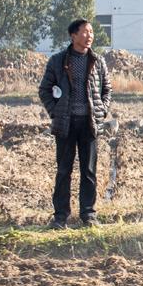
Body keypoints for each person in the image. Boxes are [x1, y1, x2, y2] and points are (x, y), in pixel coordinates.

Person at [38, 19, 112, 229]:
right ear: (73, 35)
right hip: (66, 124)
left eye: (91, 32)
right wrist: (56, 111)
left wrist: (101, 111)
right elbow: (45, 90)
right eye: (85, 32)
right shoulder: (58, 61)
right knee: (64, 171)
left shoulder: (97, 61)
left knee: (89, 171)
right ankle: (60, 216)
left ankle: (88, 214)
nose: (90, 36)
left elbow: (107, 89)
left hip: (89, 124)